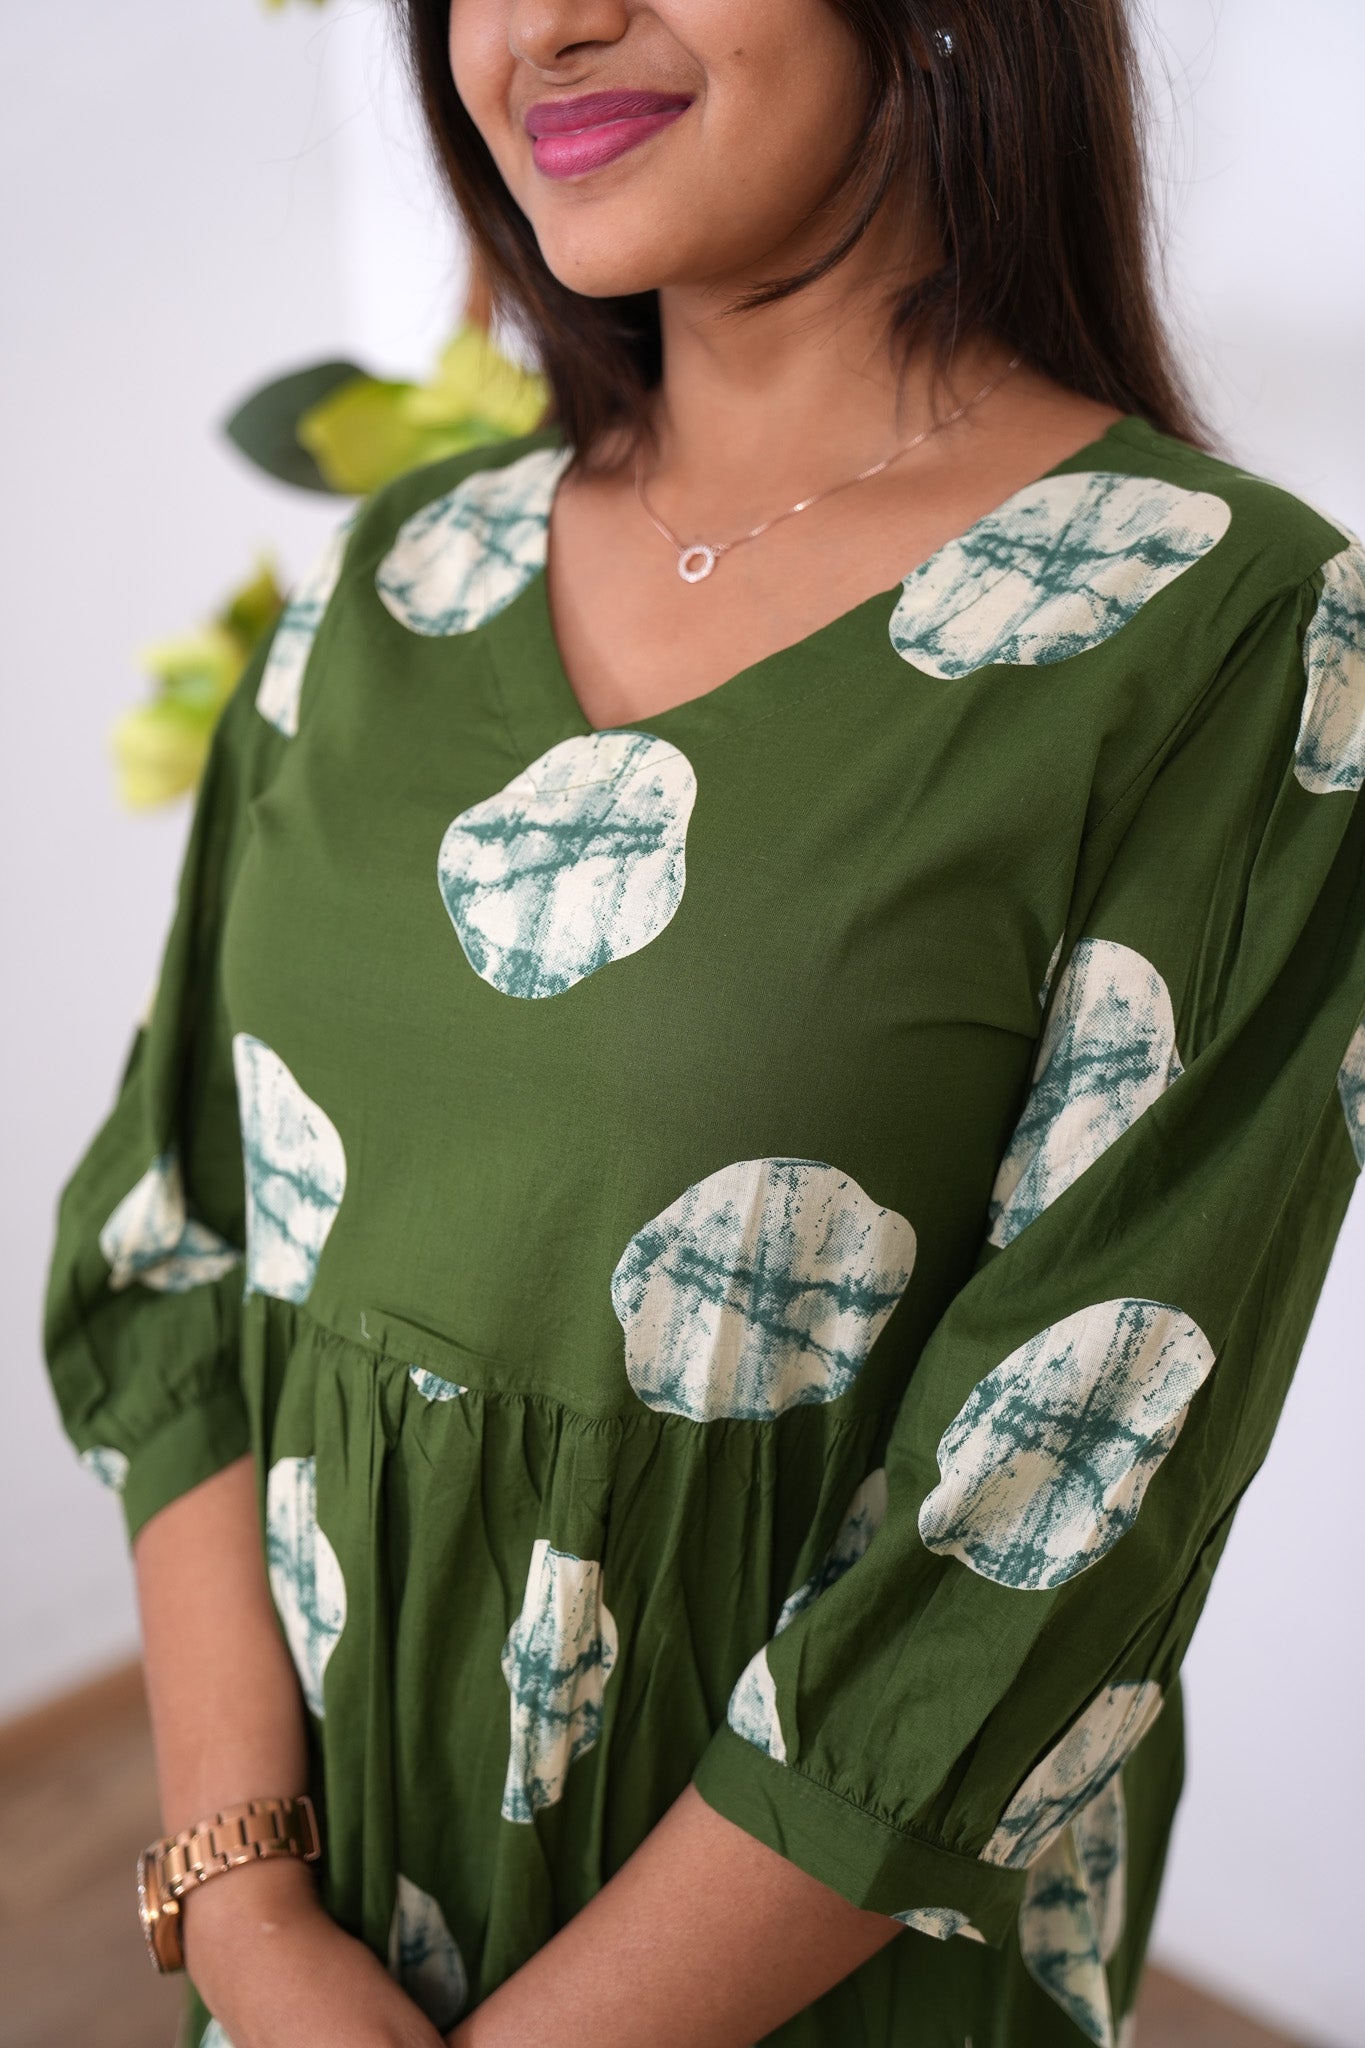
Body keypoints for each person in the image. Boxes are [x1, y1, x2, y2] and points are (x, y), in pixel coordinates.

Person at [43, 2, 1365, 2044]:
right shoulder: (403, 570)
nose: (543, 26)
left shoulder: (1227, 632)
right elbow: (173, 1253)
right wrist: (246, 1911)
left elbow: (1057, 1500)